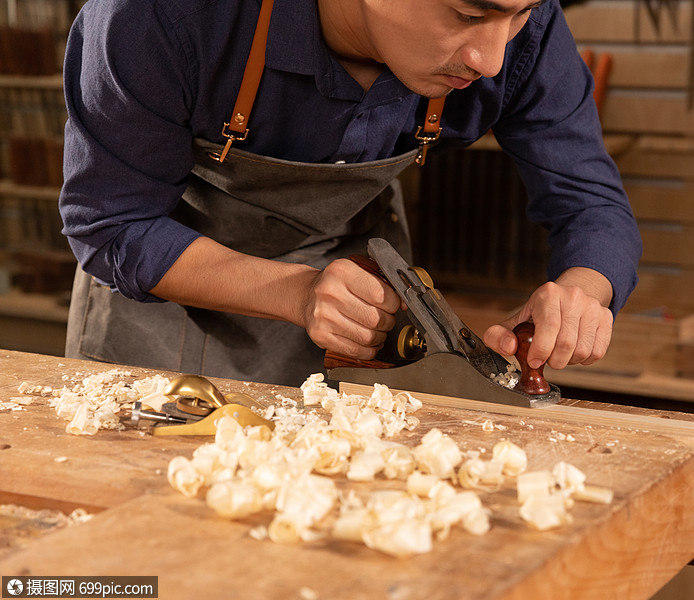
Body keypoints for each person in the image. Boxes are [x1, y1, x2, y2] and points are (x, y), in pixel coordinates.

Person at [59, 0, 642, 388]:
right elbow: (114, 225)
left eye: (518, 15)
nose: (490, 60)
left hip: (365, 322)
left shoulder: (519, 26)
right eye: (467, 13)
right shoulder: (159, 15)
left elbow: (589, 200)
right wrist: (298, 291)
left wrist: (582, 289)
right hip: (161, 324)